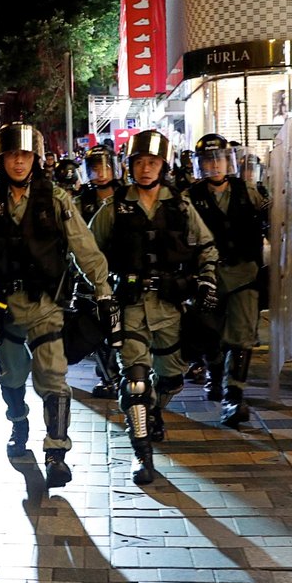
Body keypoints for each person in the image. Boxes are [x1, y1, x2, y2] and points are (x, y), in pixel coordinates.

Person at [0, 122, 113, 489]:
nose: (18, 162)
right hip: (5, 305)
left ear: (36, 159)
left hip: (47, 304)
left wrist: (103, 288)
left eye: (25, 155)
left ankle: (56, 451)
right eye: (12, 154)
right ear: (1, 159)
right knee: (11, 377)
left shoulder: (57, 200)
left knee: (53, 378)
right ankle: (18, 422)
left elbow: (83, 246)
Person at [89, 130, 219, 484]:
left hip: (170, 306)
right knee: (134, 382)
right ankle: (141, 454)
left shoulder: (180, 205)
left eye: (153, 162)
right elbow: (88, 252)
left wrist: (206, 279)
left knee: (171, 378)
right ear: (129, 165)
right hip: (128, 305)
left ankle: (154, 412)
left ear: (164, 165)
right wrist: (101, 290)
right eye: (139, 162)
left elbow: (207, 246)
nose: (146, 169)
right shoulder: (112, 207)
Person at [187, 134, 268, 428]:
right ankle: (214, 374)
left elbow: (273, 218)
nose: (214, 165)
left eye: (219, 159)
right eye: (208, 160)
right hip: (209, 275)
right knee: (211, 332)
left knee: (242, 333)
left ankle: (235, 394)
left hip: (244, 271)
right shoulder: (190, 197)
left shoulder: (248, 190)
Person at [75, 145, 121, 223]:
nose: (101, 174)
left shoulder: (124, 197)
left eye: (106, 167)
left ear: (114, 168)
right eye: (95, 168)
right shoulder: (81, 202)